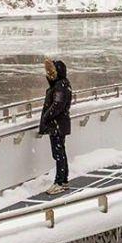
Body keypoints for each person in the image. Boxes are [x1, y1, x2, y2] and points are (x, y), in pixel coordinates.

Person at [38, 58, 73, 194]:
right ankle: (63, 180)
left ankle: (60, 182)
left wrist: (46, 117)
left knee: (58, 153)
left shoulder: (60, 86)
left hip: (57, 124)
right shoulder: (62, 85)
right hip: (59, 124)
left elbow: (57, 105)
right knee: (60, 152)